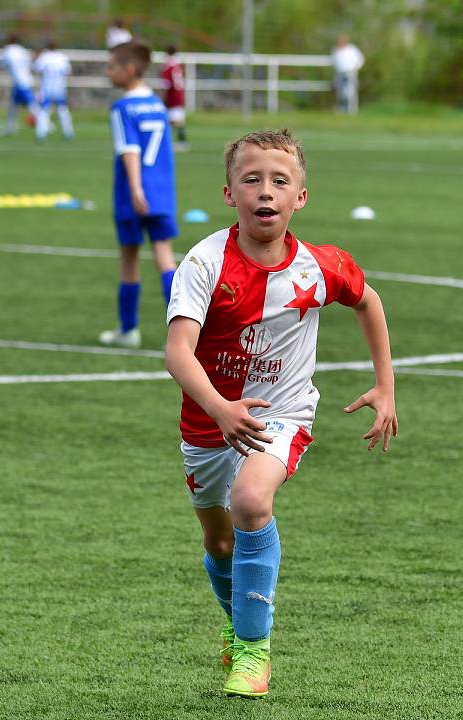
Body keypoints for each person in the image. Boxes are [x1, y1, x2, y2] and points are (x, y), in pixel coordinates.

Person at [165, 129, 398, 698]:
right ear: (229, 194)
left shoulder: (320, 266)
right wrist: (219, 408)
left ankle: (253, 651)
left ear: (300, 198)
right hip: (209, 420)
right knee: (219, 544)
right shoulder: (204, 263)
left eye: (279, 181)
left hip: (284, 412)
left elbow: (368, 300)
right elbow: (177, 351)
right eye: (251, 180)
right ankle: (239, 623)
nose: (265, 191)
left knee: (250, 501)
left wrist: (385, 385)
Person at [100, 40, 178, 349]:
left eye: (111, 67)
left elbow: (129, 149)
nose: (108, 72)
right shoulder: (157, 105)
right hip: (161, 191)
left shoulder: (122, 107)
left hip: (133, 192)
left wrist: (134, 188)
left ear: (128, 69)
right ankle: (185, 333)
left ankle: (128, 329)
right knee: (165, 255)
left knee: (129, 257)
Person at [32, 39, 74, 141]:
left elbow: (36, 69)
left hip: (47, 88)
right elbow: (68, 71)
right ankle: (68, 133)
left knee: (44, 111)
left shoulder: (44, 57)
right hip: (59, 88)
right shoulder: (62, 57)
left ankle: (41, 134)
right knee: (63, 111)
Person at [0, 34, 39, 135]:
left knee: (31, 105)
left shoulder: (9, 50)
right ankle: (9, 128)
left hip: (20, 82)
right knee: (13, 106)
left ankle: (46, 124)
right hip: (26, 80)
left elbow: (1, 62)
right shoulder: (23, 51)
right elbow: (31, 65)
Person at [160, 44, 188, 150]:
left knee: (171, 119)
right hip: (179, 93)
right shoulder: (177, 64)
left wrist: (164, 97)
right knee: (176, 119)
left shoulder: (169, 65)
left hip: (172, 95)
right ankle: (180, 141)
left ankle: (180, 141)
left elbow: (166, 83)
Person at [331, 35, 364, 114]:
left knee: (351, 91)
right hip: (339, 73)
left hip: (350, 72)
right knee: (340, 92)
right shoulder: (335, 50)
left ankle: (352, 109)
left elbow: (360, 59)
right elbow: (334, 61)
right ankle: (341, 109)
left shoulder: (352, 49)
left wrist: (355, 68)